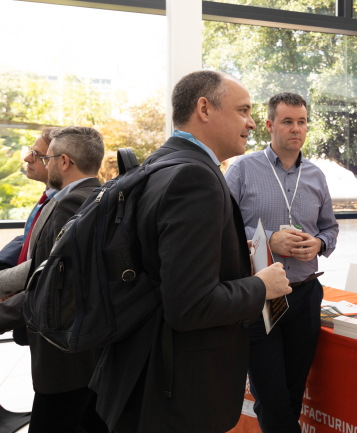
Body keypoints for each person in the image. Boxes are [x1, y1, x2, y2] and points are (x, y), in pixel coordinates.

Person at [89, 71, 292, 433]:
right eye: (243, 111)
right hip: (176, 394)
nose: (251, 123)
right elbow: (190, 305)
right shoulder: (195, 178)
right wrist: (262, 285)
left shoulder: (162, 162)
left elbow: (162, 261)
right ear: (204, 108)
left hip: (143, 373)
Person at [225, 92, 339, 433]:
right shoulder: (243, 169)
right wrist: (268, 238)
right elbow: (221, 226)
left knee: (293, 389)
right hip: (260, 296)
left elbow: (330, 229)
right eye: (287, 121)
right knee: (270, 394)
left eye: (301, 122)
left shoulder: (317, 175)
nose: (296, 129)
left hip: (305, 293)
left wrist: (318, 243)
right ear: (270, 125)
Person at [0, 126, 108, 433]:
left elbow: (46, 281)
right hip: (82, 350)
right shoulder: (94, 196)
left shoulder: (73, 204)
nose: (43, 164)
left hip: (65, 356)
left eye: (46, 158)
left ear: (64, 161)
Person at [0, 129, 57, 291]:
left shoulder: (66, 205)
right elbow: (28, 239)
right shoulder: (48, 197)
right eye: (30, 151)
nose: (26, 158)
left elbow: (44, 261)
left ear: (61, 161)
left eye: (37, 154)